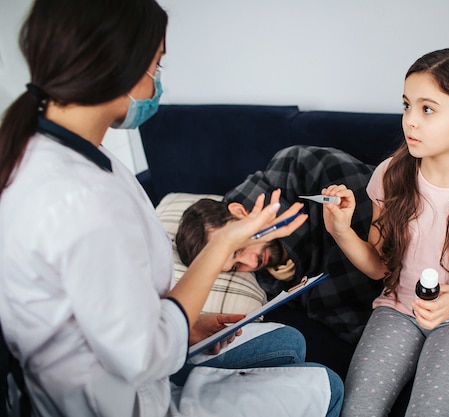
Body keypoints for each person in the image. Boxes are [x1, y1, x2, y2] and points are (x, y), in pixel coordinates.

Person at [0, 1, 343, 416]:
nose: (157, 83)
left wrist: (191, 325)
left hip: (130, 360)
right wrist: (222, 248)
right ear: (120, 67)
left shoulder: (66, 155)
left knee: (288, 343)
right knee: (327, 386)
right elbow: (143, 355)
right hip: (126, 399)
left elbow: (112, 305)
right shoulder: (81, 199)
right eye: (156, 66)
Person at [321, 48, 449, 417]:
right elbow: (378, 267)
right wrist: (341, 231)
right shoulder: (391, 175)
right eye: (406, 106)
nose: (410, 122)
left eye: (427, 109)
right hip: (398, 310)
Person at [176, 145, 384, 344]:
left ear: (239, 211)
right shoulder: (268, 281)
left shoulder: (296, 166)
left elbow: (380, 211)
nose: (252, 262)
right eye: (236, 266)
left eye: (238, 249)